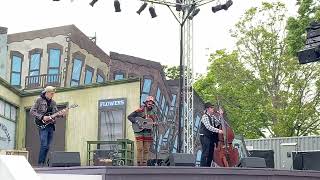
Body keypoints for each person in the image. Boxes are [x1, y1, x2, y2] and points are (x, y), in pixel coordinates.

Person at [30, 86, 67, 166]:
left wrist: (62, 114)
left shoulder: (53, 102)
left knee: (48, 146)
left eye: (53, 94)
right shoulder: (39, 100)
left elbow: (56, 114)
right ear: (46, 93)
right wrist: (42, 117)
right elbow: (32, 111)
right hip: (42, 125)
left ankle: (43, 163)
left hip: (51, 125)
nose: (52, 95)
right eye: (51, 93)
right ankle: (40, 163)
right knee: (44, 144)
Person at [127, 96, 158, 166]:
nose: (150, 104)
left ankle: (144, 164)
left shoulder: (154, 112)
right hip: (139, 131)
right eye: (149, 102)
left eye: (152, 103)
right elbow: (129, 117)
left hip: (148, 132)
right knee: (140, 148)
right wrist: (137, 122)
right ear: (146, 103)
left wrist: (154, 124)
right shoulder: (140, 110)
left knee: (146, 149)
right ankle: (139, 164)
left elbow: (152, 122)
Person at [199, 102, 223, 167]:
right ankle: (202, 167)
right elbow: (208, 127)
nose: (213, 109)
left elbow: (218, 123)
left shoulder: (212, 117)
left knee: (211, 153)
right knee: (205, 152)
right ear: (207, 109)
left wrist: (220, 115)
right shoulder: (204, 116)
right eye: (211, 107)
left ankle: (208, 167)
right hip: (204, 136)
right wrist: (218, 131)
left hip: (210, 137)